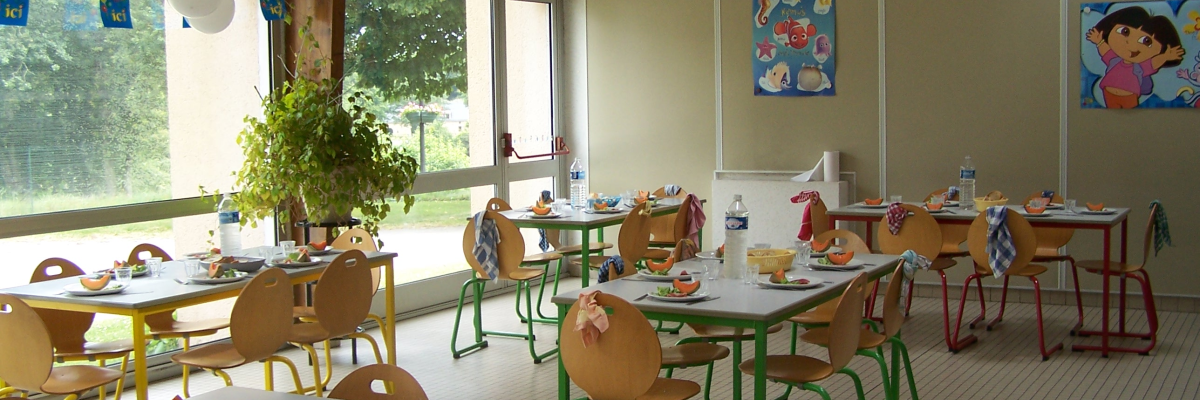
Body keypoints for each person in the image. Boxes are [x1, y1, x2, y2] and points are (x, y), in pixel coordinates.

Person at [1086, 6, 1184, 108]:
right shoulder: (1114, 61)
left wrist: (1165, 56)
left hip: (1129, 96)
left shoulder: (1139, 68)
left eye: (1146, 41)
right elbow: (1106, 51)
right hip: (1108, 92)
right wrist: (1099, 41)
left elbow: (1153, 63)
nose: (1132, 44)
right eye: (1125, 31)